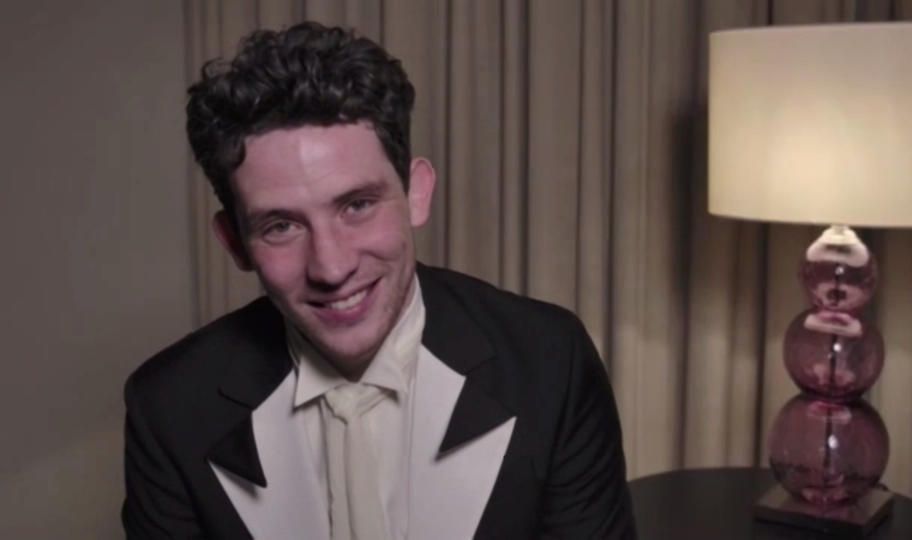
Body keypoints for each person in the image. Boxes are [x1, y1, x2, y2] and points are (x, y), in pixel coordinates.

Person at [122, 21, 635, 539]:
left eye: (358, 205)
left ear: (416, 193)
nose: (331, 267)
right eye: (280, 226)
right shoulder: (167, 406)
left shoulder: (549, 359)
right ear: (234, 243)